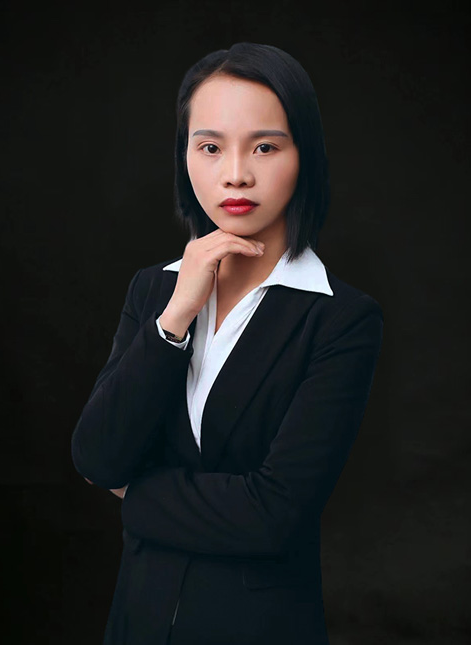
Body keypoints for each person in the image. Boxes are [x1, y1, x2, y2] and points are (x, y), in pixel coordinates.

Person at [71, 42, 384, 645]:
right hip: (136, 623)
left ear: (304, 155)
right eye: (210, 147)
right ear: (186, 156)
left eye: (265, 147)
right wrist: (176, 315)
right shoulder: (153, 290)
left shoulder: (341, 320)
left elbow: (273, 515)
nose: (235, 173)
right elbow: (97, 457)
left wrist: (134, 492)